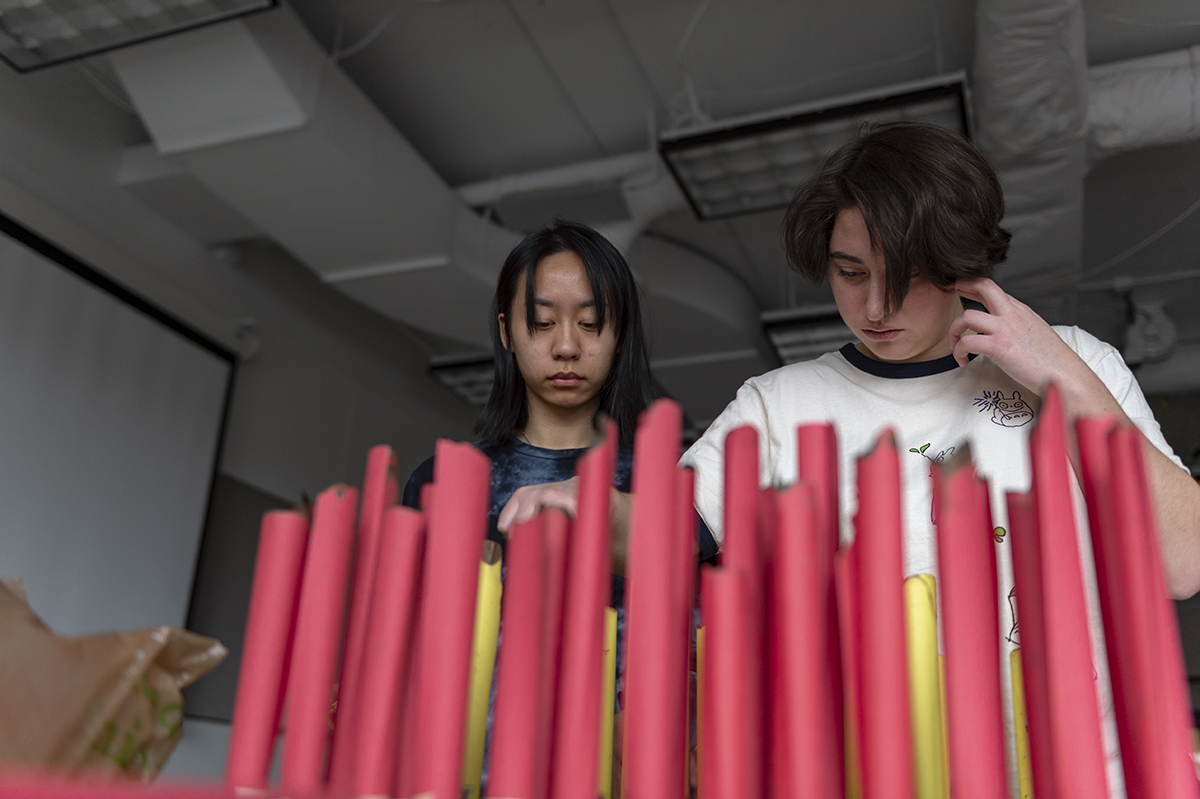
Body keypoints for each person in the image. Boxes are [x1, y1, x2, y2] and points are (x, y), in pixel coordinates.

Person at [678, 120, 1200, 788]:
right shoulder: (777, 404)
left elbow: (1183, 564)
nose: (874, 305)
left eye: (908, 275)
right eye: (850, 272)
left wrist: (1058, 374)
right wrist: (588, 504)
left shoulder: (1081, 358)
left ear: (962, 261)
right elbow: (652, 532)